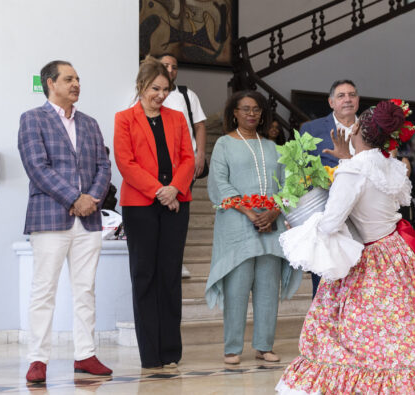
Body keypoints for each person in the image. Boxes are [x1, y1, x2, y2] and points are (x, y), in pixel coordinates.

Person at [277, 100, 415, 394]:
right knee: (404, 324)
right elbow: (369, 188)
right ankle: (414, 368)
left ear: (356, 128)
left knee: (363, 328)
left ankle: (376, 378)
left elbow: (332, 222)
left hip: (368, 256)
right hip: (396, 251)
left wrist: (303, 225)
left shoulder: (352, 171)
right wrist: (346, 159)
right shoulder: (392, 166)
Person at [18, 60, 113, 383]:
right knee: (43, 290)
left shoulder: (90, 123)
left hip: (88, 220)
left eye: (78, 79)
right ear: (50, 83)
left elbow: (104, 165)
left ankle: (85, 355)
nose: (76, 84)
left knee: (85, 290)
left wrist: (91, 199)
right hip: (50, 217)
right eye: (69, 79)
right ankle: (38, 360)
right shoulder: (32, 119)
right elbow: (37, 167)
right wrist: (75, 198)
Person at [206, 90, 302, 365]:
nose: (251, 113)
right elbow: (220, 183)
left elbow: (289, 187)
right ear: (234, 112)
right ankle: (232, 348)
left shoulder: (274, 147)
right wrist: (249, 212)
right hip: (238, 224)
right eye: (245, 109)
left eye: (256, 109)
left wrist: (273, 212)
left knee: (268, 288)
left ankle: (263, 345)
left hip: (271, 226)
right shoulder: (224, 143)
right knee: (236, 288)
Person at [114, 58, 195, 368]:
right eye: (155, 88)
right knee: (144, 276)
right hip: (141, 206)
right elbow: (126, 163)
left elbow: (188, 158)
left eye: (165, 89)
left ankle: (171, 350)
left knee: (170, 276)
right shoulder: (124, 118)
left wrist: (174, 189)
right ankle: (150, 353)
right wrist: (160, 192)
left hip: (177, 203)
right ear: (141, 86)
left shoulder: (177, 118)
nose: (161, 94)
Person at [144, 53, 208, 279]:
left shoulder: (185, 94)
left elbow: (199, 126)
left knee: (178, 214)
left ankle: (176, 260)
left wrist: (200, 153)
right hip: (153, 172)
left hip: (183, 166)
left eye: (174, 66)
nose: (170, 69)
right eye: (165, 65)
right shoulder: (142, 97)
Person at [299, 79, 360, 296]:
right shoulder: (312, 129)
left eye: (352, 95)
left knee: (360, 280)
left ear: (358, 100)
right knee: (325, 279)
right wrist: (298, 215)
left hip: (363, 218)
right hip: (326, 214)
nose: (347, 99)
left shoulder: (370, 130)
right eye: (341, 95)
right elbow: (300, 173)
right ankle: (324, 327)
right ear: (331, 102)